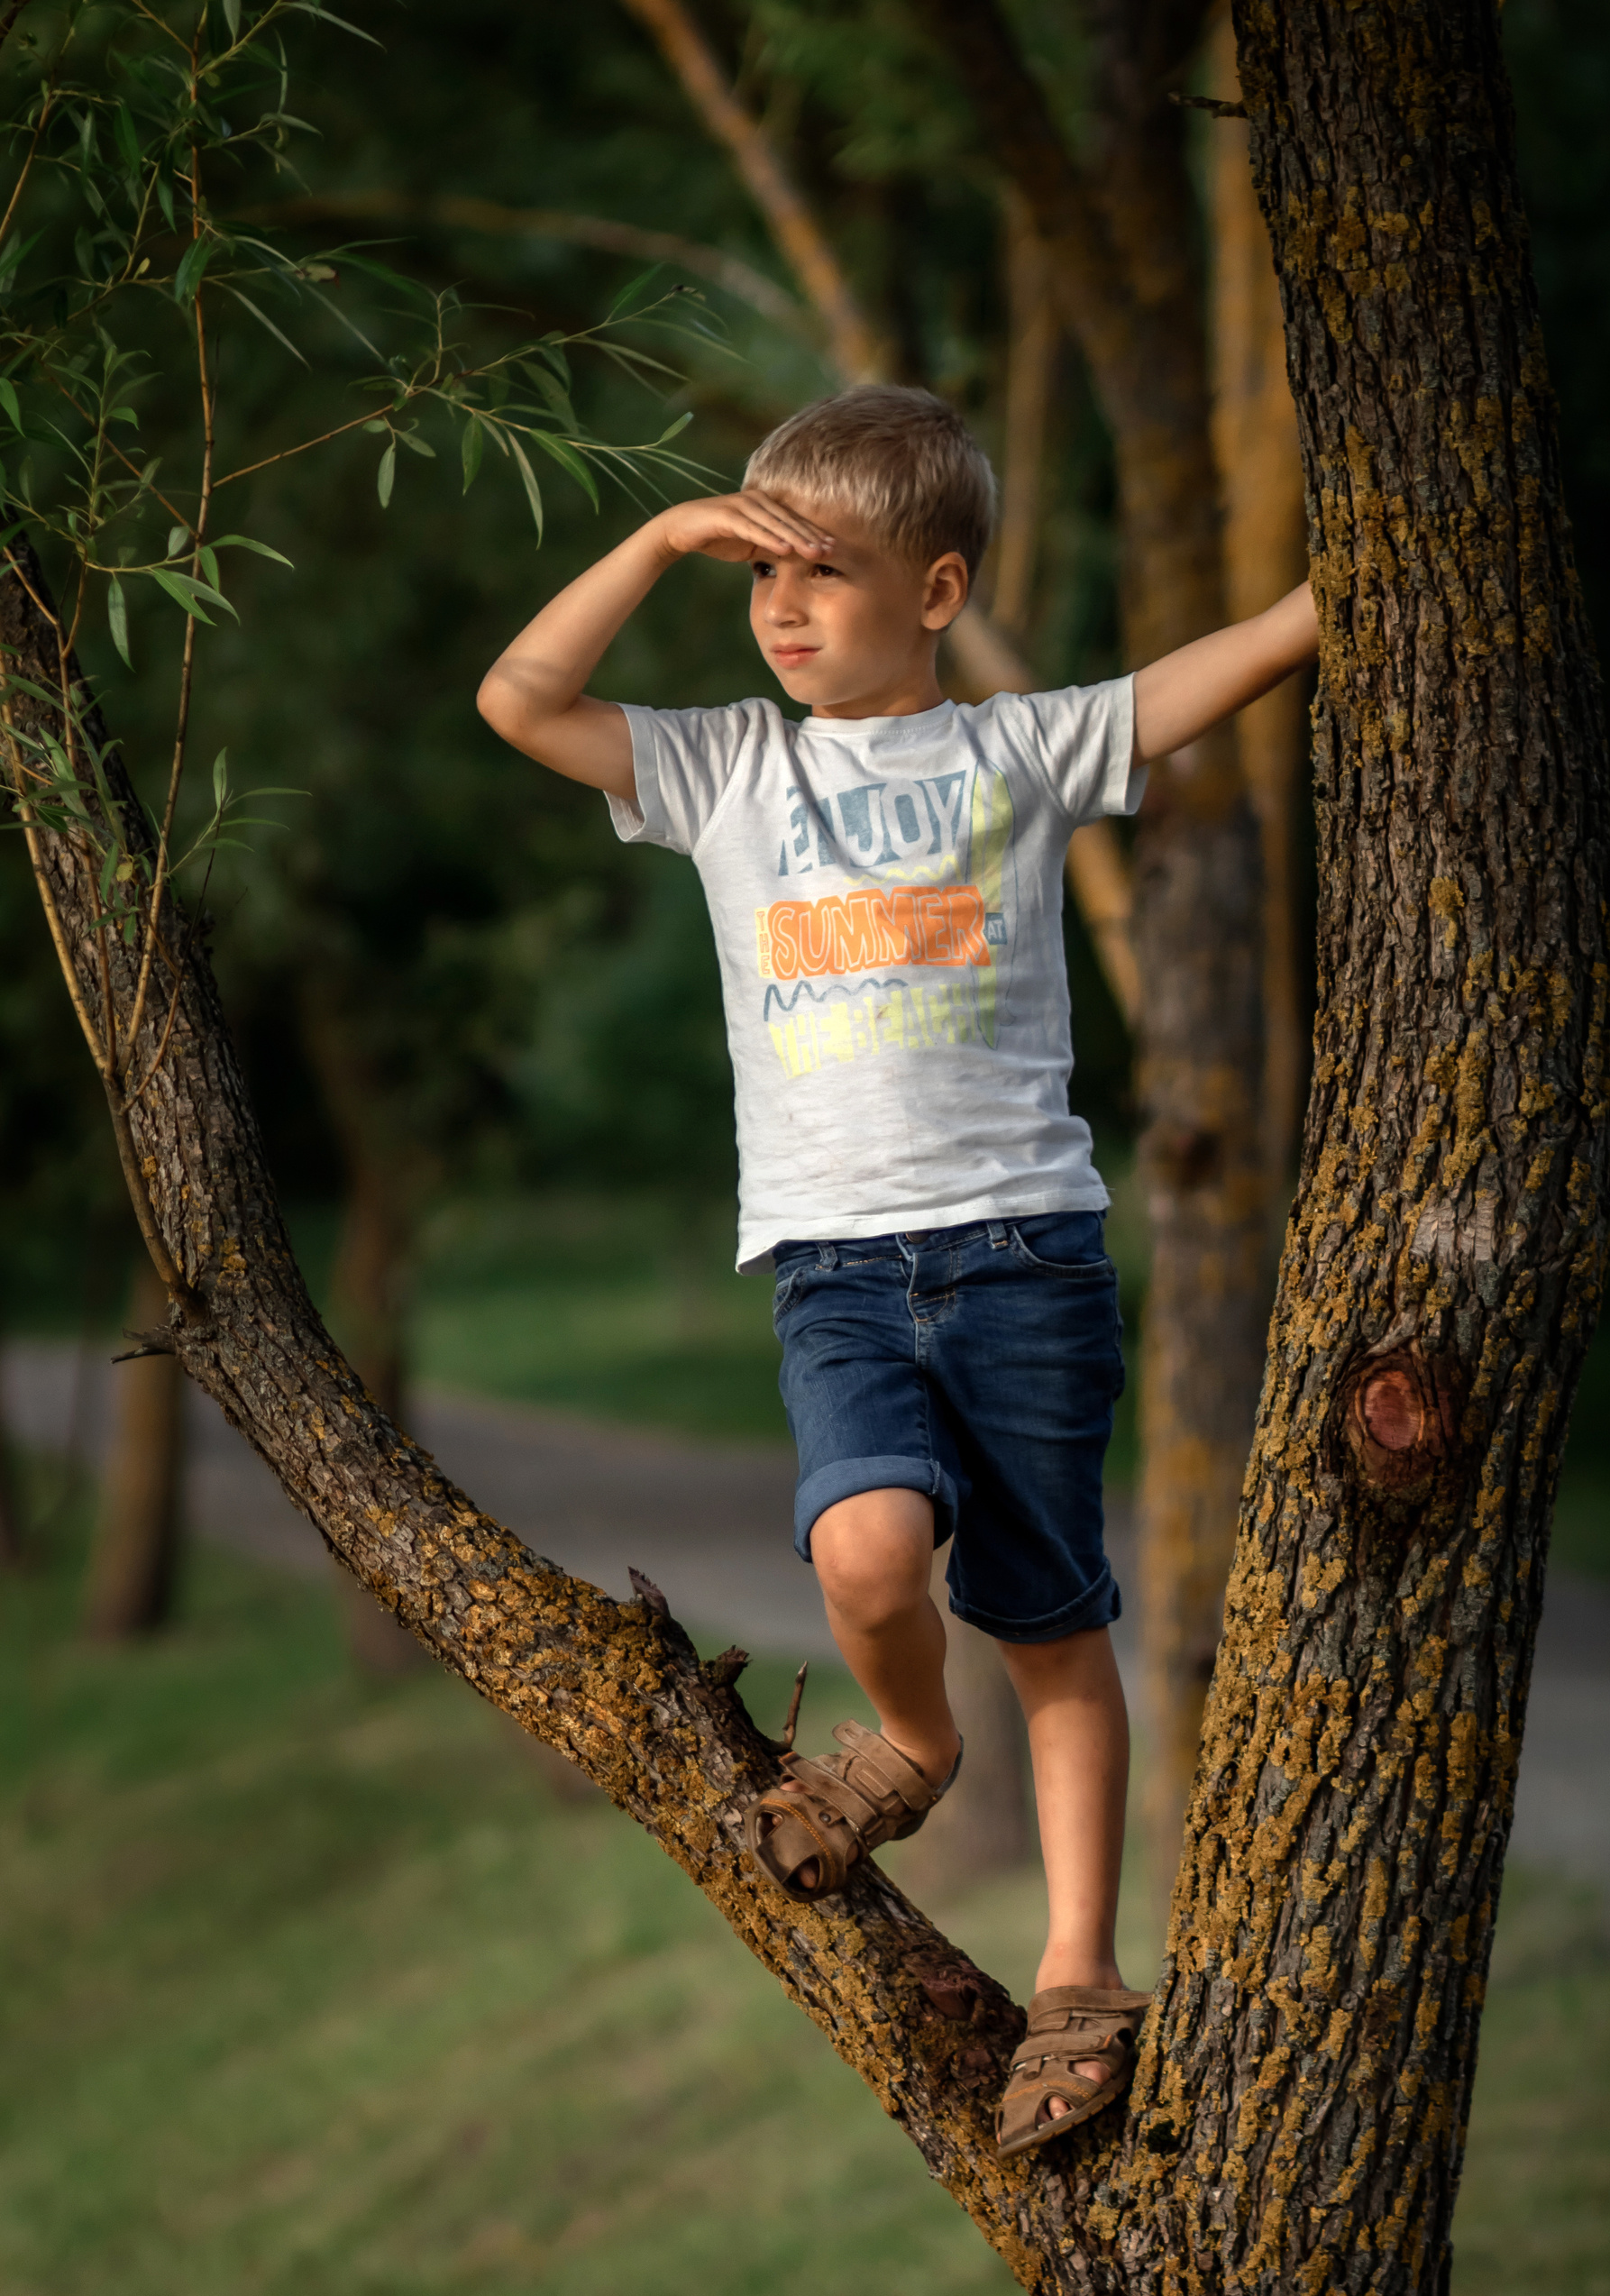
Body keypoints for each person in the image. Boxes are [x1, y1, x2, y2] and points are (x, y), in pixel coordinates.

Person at [477, 384, 1317, 2159]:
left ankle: (1082, 1960)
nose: (779, 609)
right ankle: (910, 1743)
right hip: (837, 1271)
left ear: (935, 592)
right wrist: (652, 536)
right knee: (864, 1550)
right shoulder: (724, 767)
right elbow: (519, 701)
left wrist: (1350, 589)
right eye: (757, 575)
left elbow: (1211, 668)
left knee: (1049, 1613)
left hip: (1022, 1256)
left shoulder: (1011, 752)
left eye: (824, 574)